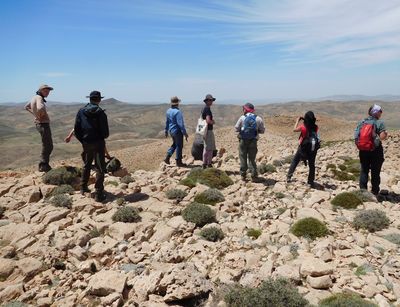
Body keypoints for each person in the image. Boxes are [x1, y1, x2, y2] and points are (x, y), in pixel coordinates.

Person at [74, 91, 109, 202]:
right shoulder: (101, 113)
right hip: (98, 143)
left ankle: (83, 187)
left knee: (87, 164)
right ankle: (99, 193)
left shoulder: (81, 111)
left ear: (90, 99)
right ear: (99, 100)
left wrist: (83, 140)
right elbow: (106, 133)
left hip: (86, 143)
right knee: (100, 167)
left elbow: (77, 129)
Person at [355, 104, 387, 195]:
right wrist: (385, 134)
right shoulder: (379, 122)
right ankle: (375, 192)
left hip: (363, 150)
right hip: (375, 150)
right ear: (376, 112)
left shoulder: (362, 122)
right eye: (380, 112)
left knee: (364, 171)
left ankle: (363, 192)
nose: (381, 113)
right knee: (375, 172)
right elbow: (382, 137)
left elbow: (356, 136)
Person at [25, 84, 54, 172]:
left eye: (48, 91)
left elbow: (26, 107)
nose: (48, 92)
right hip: (43, 124)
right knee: (48, 145)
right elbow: (40, 108)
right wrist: (40, 116)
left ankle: (44, 165)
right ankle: (43, 165)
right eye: (46, 91)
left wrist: (35, 115)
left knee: (46, 144)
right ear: (41, 90)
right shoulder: (39, 98)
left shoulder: (34, 97)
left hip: (40, 124)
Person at [287, 111, 320, 187]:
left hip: (303, 148)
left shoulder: (303, 127)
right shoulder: (316, 127)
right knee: (312, 165)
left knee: (295, 161)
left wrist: (297, 121)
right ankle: (310, 181)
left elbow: (294, 129)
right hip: (312, 149)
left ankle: (289, 177)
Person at [234, 103, 265, 181]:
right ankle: (254, 175)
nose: (243, 110)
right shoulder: (258, 118)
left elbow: (236, 128)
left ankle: (243, 175)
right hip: (253, 140)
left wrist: (242, 129)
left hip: (243, 140)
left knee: (242, 157)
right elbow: (263, 131)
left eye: (244, 109)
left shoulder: (242, 118)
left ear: (246, 109)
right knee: (252, 158)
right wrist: (256, 131)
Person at [164, 96, 189, 167]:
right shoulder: (178, 112)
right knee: (179, 145)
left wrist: (166, 130)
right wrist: (185, 133)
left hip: (171, 130)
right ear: (177, 103)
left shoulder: (168, 111)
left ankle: (167, 157)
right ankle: (179, 162)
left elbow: (167, 122)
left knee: (175, 144)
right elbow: (180, 124)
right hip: (177, 131)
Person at [202, 94, 216, 169]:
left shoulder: (204, 108)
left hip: (205, 131)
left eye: (212, 100)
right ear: (207, 101)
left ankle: (204, 163)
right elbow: (208, 120)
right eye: (210, 100)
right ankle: (209, 164)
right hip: (208, 130)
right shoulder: (207, 109)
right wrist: (212, 122)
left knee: (206, 147)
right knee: (210, 148)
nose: (211, 102)